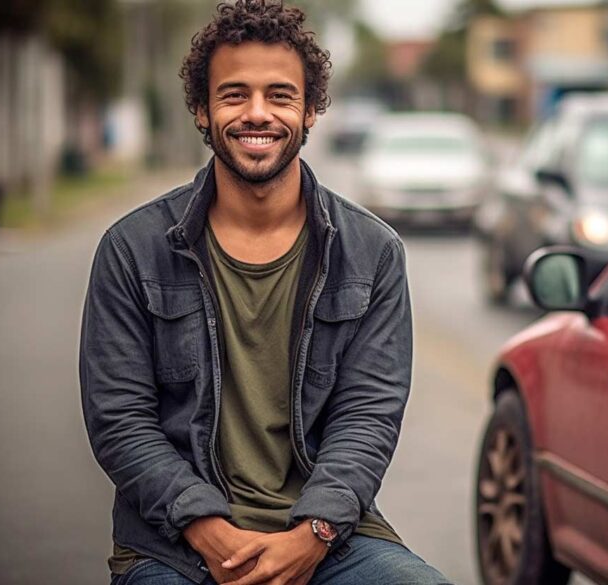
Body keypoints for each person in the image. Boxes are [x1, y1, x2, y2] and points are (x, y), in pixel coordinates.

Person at [79, 2, 451, 584]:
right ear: (202, 110)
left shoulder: (372, 252)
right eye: (234, 95)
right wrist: (210, 533)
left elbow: (368, 415)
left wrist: (314, 535)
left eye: (280, 95)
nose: (258, 114)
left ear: (310, 112)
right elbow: (120, 420)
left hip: (330, 538)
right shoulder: (132, 249)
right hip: (174, 545)